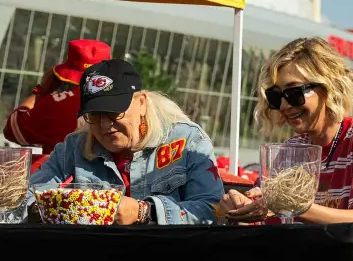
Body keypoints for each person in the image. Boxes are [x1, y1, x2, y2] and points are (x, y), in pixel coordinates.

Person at [217, 37, 353, 231]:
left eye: (294, 93)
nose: (285, 105)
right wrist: (242, 207)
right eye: (276, 96)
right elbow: (267, 216)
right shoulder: (289, 151)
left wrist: (294, 207)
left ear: (329, 87)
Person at [29, 59, 223, 224]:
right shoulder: (73, 146)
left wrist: (144, 212)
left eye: (114, 113)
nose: (105, 125)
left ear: (141, 103)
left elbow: (212, 209)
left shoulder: (187, 140)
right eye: (95, 115)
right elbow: (28, 198)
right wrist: (57, 208)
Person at [3, 39, 111, 153]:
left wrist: (41, 91)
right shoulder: (128, 101)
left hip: (64, 170)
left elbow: (11, 131)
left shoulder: (53, 104)